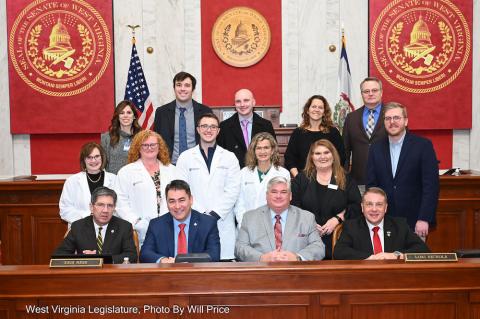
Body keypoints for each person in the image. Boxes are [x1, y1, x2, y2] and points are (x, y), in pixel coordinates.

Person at [367, 102, 439, 239]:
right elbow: (372, 186)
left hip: (415, 222)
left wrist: (424, 218)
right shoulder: (375, 149)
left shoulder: (423, 146)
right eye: (388, 118)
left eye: (396, 118)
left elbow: (431, 186)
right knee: (386, 260)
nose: (392, 122)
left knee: (413, 260)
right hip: (384, 222)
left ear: (406, 121)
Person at [176, 113, 241, 261]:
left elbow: (233, 190)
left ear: (218, 131)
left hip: (223, 221)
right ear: (198, 129)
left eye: (213, 126)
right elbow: (182, 190)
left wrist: (214, 214)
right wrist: (201, 214)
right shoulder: (185, 157)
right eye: (204, 126)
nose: (208, 130)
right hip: (194, 218)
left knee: (224, 269)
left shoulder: (229, 157)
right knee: (196, 266)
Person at [291, 139, 361, 259]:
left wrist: (338, 219)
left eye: (326, 152)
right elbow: (293, 206)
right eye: (318, 153)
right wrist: (310, 224)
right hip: (307, 238)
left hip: (339, 236)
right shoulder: (301, 179)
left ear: (333, 156)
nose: (322, 157)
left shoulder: (345, 178)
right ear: (312, 157)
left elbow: (356, 206)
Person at [235, 176, 325, 262]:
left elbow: (318, 247)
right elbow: (240, 248)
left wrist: (297, 257)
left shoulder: (306, 218)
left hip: (296, 274)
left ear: (290, 196)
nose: (278, 196)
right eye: (274, 192)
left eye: (283, 192)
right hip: (262, 273)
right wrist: (262, 258)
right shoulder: (250, 218)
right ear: (266, 195)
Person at [114, 130, 178, 245]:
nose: (149, 148)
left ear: (160, 147)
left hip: (169, 227)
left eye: (153, 144)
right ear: (138, 147)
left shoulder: (172, 170)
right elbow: (120, 202)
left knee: (168, 261)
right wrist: (137, 222)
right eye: (145, 145)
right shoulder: (126, 172)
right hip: (139, 230)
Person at [333, 187, 430, 260]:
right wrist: (371, 258)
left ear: (386, 208)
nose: (374, 209)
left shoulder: (399, 225)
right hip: (363, 280)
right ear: (362, 207)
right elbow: (339, 252)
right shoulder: (351, 226)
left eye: (379, 204)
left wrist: (394, 255)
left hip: (395, 279)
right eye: (369, 204)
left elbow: (423, 249)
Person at [139, 180, 221, 263]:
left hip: (196, 274)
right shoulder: (156, 225)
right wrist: (163, 260)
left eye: (181, 200)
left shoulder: (208, 223)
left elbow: (214, 255)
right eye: (172, 201)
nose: (177, 206)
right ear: (166, 203)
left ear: (191, 200)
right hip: (167, 274)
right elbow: (145, 253)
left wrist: (184, 260)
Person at [54, 187, 138, 264]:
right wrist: (85, 259)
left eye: (110, 206)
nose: (105, 210)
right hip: (86, 276)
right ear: (91, 207)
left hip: (113, 276)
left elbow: (132, 256)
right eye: (100, 205)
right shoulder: (78, 226)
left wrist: (101, 258)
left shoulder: (124, 227)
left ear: (114, 208)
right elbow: (59, 255)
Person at [153, 71, 212, 164]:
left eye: (187, 85)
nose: (182, 89)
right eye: (179, 85)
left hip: (198, 164)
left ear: (193, 89)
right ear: (174, 88)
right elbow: (155, 140)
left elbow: (211, 139)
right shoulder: (161, 112)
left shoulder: (205, 111)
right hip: (169, 165)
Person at [234, 132, 290, 228]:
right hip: (246, 225)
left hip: (272, 226)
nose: (262, 152)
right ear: (254, 151)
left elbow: (283, 202)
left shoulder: (283, 173)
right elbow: (239, 202)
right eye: (259, 148)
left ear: (272, 150)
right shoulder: (244, 173)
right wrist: (244, 224)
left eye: (266, 148)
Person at [284, 95, 345, 177]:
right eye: (314, 106)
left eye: (320, 107)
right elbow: (289, 158)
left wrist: (330, 177)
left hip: (328, 179)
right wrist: (298, 178)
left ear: (324, 112)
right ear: (307, 111)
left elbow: (341, 157)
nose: (317, 110)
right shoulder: (298, 133)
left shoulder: (333, 132)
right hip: (303, 180)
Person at [342, 77, 387, 185]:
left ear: (381, 92)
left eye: (374, 90)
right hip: (359, 180)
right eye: (366, 91)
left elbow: (405, 146)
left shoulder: (393, 114)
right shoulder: (351, 118)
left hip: (388, 179)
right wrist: (343, 177)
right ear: (361, 94)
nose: (370, 94)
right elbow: (345, 151)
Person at [59, 142, 116, 226]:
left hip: (109, 227)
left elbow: (119, 207)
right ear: (83, 160)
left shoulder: (114, 179)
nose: (93, 160)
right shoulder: (72, 181)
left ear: (102, 157)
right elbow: (65, 210)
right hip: (81, 228)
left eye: (97, 156)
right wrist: (88, 216)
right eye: (89, 157)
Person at [217, 88, 276, 167]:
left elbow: (273, 151)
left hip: (260, 172)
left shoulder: (266, 125)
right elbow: (220, 155)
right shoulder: (224, 127)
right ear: (234, 104)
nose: (242, 104)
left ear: (253, 102)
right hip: (234, 173)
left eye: (246, 100)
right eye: (238, 101)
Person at [101, 100, 142, 174]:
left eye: (129, 113)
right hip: (114, 182)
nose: (125, 116)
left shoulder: (142, 137)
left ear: (134, 116)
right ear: (118, 116)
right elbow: (102, 163)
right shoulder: (106, 137)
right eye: (122, 113)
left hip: (136, 181)